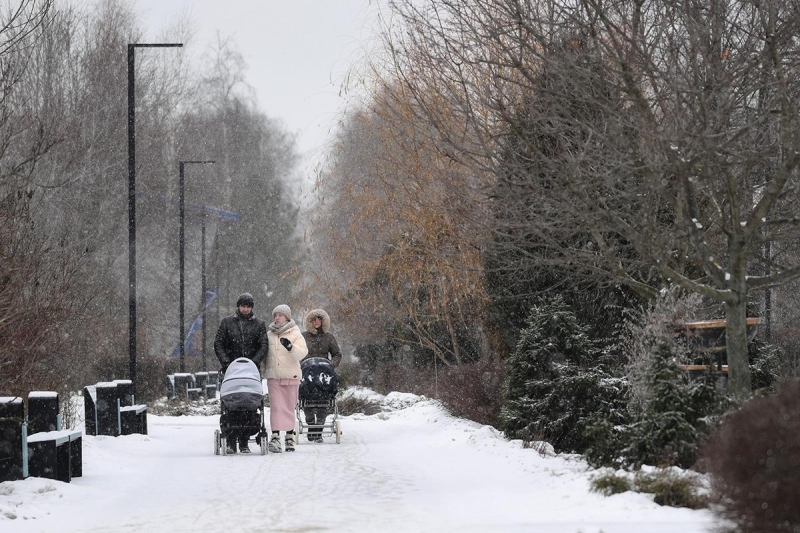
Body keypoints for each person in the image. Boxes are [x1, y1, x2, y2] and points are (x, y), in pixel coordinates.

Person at [213, 292, 267, 453]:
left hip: (251, 371)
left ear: (251, 308)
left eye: (248, 306)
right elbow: (219, 343)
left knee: (249, 405)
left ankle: (243, 441)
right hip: (231, 370)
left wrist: (254, 362)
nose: (245, 309)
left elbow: (263, 345)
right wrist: (227, 363)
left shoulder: (259, 324)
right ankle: (230, 440)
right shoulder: (227, 323)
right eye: (243, 306)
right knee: (231, 405)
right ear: (238, 306)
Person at [264, 304, 307, 453]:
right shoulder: (269, 334)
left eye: (280, 315)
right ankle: (275, 436)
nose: (277, 317)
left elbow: (303, 352)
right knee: (276, 407)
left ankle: (289, 436)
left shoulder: (295, 332)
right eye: (275, 315)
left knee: (289, 407)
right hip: (274, 376)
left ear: (287, 317)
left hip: (291, 376)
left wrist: (291, 347)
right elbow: (263, 352)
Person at [301, 308, 342, 443]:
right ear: (310, 322)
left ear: (323, 321)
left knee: (323, 399)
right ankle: (310, 422)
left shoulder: (329, 337)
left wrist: (331, 364)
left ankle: (318, 430)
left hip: (324, 374)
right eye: (313, 319)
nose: (316, 322)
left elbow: (337, 354)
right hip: (307, 373)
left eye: (319, 319)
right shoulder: (303, 337)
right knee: (306, 397)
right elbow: (297, 353)